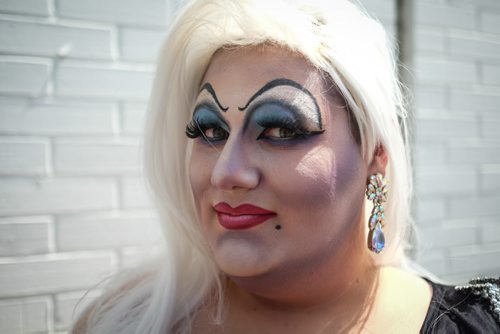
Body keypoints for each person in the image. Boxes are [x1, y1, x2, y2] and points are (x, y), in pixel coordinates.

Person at [71, 0, 500, 333]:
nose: (226, 173)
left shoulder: (477, 325)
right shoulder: (122, 323)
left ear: (374, 157)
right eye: (210, 131)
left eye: (278, 130)